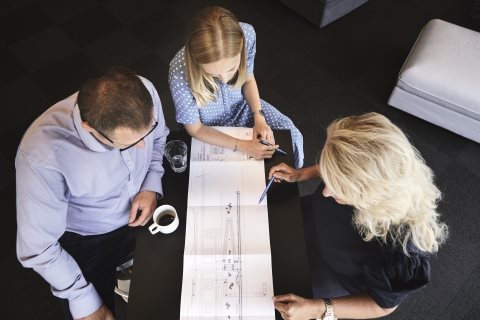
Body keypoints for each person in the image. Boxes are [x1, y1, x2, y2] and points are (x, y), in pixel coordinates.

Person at [16, 67, 169, 320]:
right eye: (129, 144)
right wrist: (81, 298)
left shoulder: (146, 90)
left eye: (147, 132)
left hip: (146, 206)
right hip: (89, 238)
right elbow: (38, 248)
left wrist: (150, 183)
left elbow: (160, 138)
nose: (143, 145)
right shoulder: (41, 156)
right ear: (89, 128)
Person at [268, 112, 448, 320]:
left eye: (338, 186)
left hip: (337, 272)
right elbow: (342, 165)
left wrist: (318, 308)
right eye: (329, 176)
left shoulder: (402, 250)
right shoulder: (362, 173)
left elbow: (383, 306)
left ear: (368, 190)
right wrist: (303, 173)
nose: (325, 192)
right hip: (316, 219)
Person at [168, 6, 304, 168]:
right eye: (214, 74)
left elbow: (248, 80)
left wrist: (258, 116)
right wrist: (242, 145)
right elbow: (196, 129)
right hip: (208, 127)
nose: (225, 80)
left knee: (292, 134)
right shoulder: (178, 71)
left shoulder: (247, 35)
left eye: (231, 69)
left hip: (242, 108)